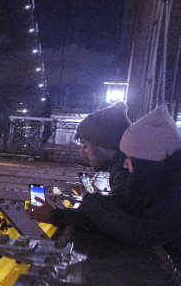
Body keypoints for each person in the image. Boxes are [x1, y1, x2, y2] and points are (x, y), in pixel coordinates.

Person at [36, 105, 181, 258]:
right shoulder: (160, 183)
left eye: (86, 146)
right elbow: (120, 220)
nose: (82, 153)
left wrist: (90, 202)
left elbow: (137, 231)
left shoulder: (132, 178)